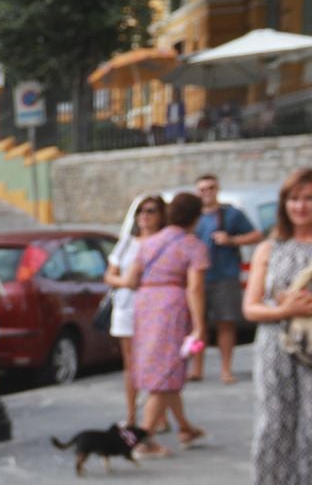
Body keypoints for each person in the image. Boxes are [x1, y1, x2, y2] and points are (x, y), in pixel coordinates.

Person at [242, 168, 312, 485]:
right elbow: (251, 308)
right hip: (274, 347)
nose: (301, 206)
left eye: (309, 198)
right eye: (295, 198)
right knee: (274, 426)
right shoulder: (269, 248)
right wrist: (285, 310)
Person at [125, 192, 210, 458]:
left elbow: (132, 278)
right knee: (166, 372)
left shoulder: (149, 242)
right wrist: (199, 324)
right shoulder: (192, 245)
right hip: (171, 304)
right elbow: (195, 288)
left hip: (145, 302)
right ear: (196, 216)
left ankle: (185, 428)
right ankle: (144, 438)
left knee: (162, 367)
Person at [104, 195, 166, 429]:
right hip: (127, 307)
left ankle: (158, 415)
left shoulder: (164, 241)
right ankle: (131, 415)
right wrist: (126, 282)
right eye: (141, 211)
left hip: (155, 308)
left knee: (155, 361)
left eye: (150, 211)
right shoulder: (127, 242)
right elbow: (109, 275)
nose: (145, 216)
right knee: (131, 363)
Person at [194, 174, 263, 383]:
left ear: (217, 189)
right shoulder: (193, 217)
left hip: (225, 275)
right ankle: (197, 369)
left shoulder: (231, 214)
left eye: (211, 188)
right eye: (203, 189)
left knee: (226, 322)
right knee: (199, 324)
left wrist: (231, 240)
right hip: (199, 277)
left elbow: (256, 235)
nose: (207, 192)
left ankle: (226, 369)